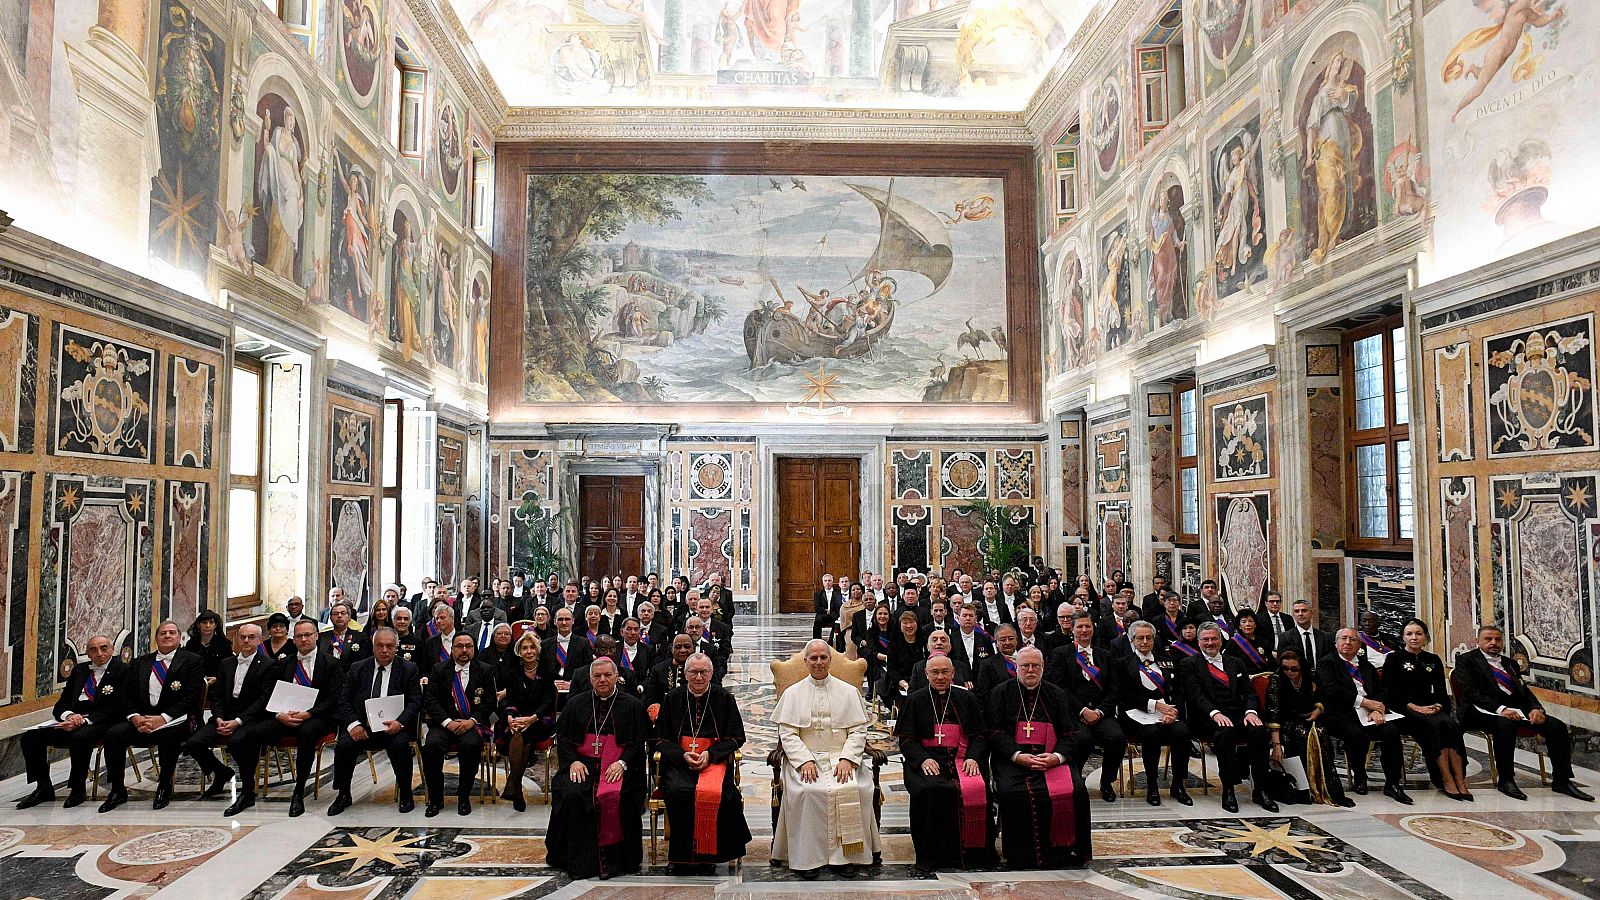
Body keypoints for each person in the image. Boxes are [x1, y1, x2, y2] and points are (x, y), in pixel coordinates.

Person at [771, 640, 881, 879]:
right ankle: (808, 859)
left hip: (841, 758)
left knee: (856, 786)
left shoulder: (849, 692)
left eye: (823, 658)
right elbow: (787, 733)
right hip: (806, 759)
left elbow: (858, 731)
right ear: (805, 661)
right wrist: (803, 761)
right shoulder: (793, 693)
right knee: (807, 791)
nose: (819, 662)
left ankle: (846, 857)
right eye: (814, 658)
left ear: (830, 660)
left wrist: (848, 759)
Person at [1456, 624, 1593, 801]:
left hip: (1515, 711)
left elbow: (1524, 691)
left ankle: (1562, 780)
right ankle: (1506, 780)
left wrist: (1536, 709)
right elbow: (1471, 692)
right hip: (1479, 712)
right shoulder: (1466, 660)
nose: (1493, 643)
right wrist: (1501, 710)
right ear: (1478, 641)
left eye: (1497, 639)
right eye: (1488, 639)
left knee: (1556, 726)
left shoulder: (1509, 663)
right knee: (1504, 725)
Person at [547, 657, 652, 879]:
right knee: (573, 794)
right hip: (582, 765)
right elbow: (564, 739)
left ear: (617, 677)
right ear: (590, 678)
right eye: (597, 676)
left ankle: (618, 861)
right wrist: (572, 762)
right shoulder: (576, 703)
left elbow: (639, 743)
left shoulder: (633, 705)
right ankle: (578, 861)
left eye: (607, 675)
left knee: (620, 795)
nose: (602, 680)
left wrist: (622, 763)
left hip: (618, 765)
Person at [228, 619, 343, 817]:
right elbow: (270, 694)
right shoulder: (283, 664)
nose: (304, 639)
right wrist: (278, 714)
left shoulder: (331, 664)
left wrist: (309, 714)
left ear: (316, 636)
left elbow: (333, 698)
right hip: (285, 716)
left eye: (308, 635)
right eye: (299, 636)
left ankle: (298, 792)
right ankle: (247, 791)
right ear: (294, 639)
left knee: (306, 734)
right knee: (248, 736)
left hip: (318, 717)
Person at [988, 646, 1091, 868]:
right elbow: (995, 733)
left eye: (1036, 666)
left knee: (1077, 790)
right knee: (1011, 792)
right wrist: (1018, 756)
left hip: (1050, 759)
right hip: (1013, 760)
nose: (1030, 670)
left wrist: (1056, 757)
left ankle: (1063, 851)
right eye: (1025, 666)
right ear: (1016, 667)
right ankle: (1020, 854)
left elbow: (1071, 733)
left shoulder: (1056, 693)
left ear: (1043, 668)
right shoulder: (1000, 693)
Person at [895, 655, 995, 871]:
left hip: (961, 758)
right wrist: (922, 759)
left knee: (977, 787)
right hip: (928, 760)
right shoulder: (915, 699)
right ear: (926, 674)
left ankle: (973, 855)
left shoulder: (966, 698)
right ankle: (931, 855)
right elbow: (907, 740)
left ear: (953, 674)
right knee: (932, 789)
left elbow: (979, 735)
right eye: (935, 673)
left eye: (944, 672)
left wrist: (973, 757)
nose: (940, 677)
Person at [656, 653, 751, 874]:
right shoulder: (672, 698)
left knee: (720, 794)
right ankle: (681, 858)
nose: (698, 677)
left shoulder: (724, 698)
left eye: (703, 672)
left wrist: (711, 754)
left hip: (714, 761)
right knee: (680, 792)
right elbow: (659, 738)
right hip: (681, 762)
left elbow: (737, 737)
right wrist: (682, 756)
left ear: (711, 673)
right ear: (685, 674)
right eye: (693, 672)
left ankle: (708, 856)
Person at [98, 621, 203, 813]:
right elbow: (126, 695)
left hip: (176, 719)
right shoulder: (140, 663)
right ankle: (117, 790)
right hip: (143, 720)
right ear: (156, 638)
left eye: (172, 632)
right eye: (163, 633)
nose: (167, 636)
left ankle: (164, 787)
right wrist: (135, 717)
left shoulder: (192, 661)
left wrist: (162, 719)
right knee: (114, 734)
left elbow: (191, 698)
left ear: (179, 638)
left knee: (168, 737)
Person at [16, 635, 127, 809]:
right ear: (88, 654)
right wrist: (69, 715)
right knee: (31, 737)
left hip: (101, 721)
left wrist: (84, 720)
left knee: (80, 738)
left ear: (112, 649)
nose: (99, 653)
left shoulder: (123, 671)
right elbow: (62, 703)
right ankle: (43, 787)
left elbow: (118, 706)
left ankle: (77, 788)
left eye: (104, 648)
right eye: (93, 650)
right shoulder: (80, 671)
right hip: (73, 720)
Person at [1179, 623, 1278, 813]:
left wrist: (1251, 712)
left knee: (1258, 731)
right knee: (1226, 733)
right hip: (1207, 717)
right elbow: (1195, 695)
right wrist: (1215, 714)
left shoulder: (1235, 663)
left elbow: (1249, 693)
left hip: (1237, 714)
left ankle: (1261, 789)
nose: (1210, 643)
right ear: (1198, 642)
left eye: (1214, 639)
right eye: (1205, 639)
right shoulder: (1189, 664)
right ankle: (1229, 789)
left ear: (1221, 640)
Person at [328, 627, 422, 815]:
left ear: (397, 648)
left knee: (400, 746)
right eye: (380, 646)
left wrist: (400, 723)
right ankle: (343, 794)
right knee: (345, 745)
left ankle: (405, 793)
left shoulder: (408, 669)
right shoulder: (358, 668)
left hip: (394, 727)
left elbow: (415, 701)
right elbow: (344, 699)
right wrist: (354, 725)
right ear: (373, 647)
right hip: (364, 727)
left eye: (389, 646)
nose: (384, 650)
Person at [1316, 627, 1413, 804]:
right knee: (1355, 734)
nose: (1348, 642)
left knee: (1391, 732)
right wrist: (1365, 703)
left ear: (1359, 644)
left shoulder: (1366, 665)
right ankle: (1359, 774)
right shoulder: (1326, 663)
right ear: (1336, 643)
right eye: (1343, 639)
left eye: (1352, 639)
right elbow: (1332, 691)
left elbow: (1381, 692)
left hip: (1370, 713)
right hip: (1341, 713)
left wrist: (1376, 709)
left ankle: (1392, 783)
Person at [182, 623, 272, 803]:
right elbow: (217, 696)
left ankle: (247, 790)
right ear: (237, 639)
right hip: (224, 716)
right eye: (243, 637)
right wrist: (219, 718)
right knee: (192, 743)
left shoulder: (269, 666)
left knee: (239, 742)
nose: (246, 640)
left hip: (250, 718)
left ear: (260, 640)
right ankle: (221, 771)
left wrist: (238, 721)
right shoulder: (226, 663)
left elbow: (263, 701)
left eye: (251, 637)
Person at [1384, 618, 1470, 799]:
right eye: (1409, 634)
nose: (1414, 638)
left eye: (1418, 633)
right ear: (1403, 637)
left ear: (1426, 637)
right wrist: (1415, 707)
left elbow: (1440, 690)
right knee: (1436, 727)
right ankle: (1444, 778)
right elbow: (1391, 693)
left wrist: (1438, 705)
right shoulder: (1394, 658)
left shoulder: (1432, 659)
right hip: (1405, 709)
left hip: (1431, 707)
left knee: (1451, 724)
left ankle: (1460, 779)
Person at [1048, 611, 1124, 802]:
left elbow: (1115, 689)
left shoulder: (1105, 655)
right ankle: (1075, 781)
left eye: (1087, 626)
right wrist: (1083, 710)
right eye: (1079, 626)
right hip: (1074, 714)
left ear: (1093, 628)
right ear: (1072, 629)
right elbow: (1058, 688)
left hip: (1101, 713)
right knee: (1082, 740)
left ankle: (1106, 782)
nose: (1084, 630)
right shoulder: (1061, 654)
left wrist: (1099, 711)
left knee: (1117, 739)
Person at [1114, 621, 1192, 807]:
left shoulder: (1167, 661)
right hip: (1135, 713)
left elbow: (1179, 690)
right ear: (1132, 640)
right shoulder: (1122, 663)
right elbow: (1124, 695)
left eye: (1149, 638)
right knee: (1152, 734)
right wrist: (1155, 705)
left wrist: (1174, 711)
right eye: (1140, 638)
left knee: (1182, 732)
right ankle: (1152, 785)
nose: (1145, 642)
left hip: (1167, 713)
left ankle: (1178, 785)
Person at [421, 632, 496, 816]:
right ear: (452, 649)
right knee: (431, 746)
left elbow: (490, 702)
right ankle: (436, 799)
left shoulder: (485, 670)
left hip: (471, 724)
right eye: (459, 646)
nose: (464, 650)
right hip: (444, 724)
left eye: (468, 646)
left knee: (470, 745)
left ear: (474, 649)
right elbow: (430, 701)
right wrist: (447, 722)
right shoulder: (439, 669)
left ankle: (464, 798)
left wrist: (472, 721)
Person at [1265, 649, 1352, 806]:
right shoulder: (1276, 680)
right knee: (1301, 734)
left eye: (1294, 669)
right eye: (1285, 668)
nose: (1289, 672)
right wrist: (1276, 745)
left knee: (1321, 733)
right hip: (1285, 724)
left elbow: (1323, 697)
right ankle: (1305, 789)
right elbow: (1273, 713)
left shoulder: (1311, 675)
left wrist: (1318, 709)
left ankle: (1323, 787)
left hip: (1309, 718)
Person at [499, 631, 557, 810]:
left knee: (524, 733)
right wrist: (510, 717)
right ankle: (515, 787)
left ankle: (513, 785)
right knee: (518, 734)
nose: (529, 651)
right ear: (519, 651)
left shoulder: (547, 670)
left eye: (532, 647)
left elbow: (548, 701)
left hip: (541, 718)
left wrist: (531, 718)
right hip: (517, 717)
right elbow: (510, 700)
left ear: (537, 650)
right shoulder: (513, 672)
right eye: (525, 648)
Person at [541, 606, 593, 710]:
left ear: (573, 621)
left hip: (576, 692)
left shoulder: (583, 643)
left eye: (567, 619)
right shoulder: (545, 644)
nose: (564, 623)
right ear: (555, 622)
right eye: (560, 619)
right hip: (550, 693)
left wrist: (572, 684)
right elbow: (542, 671)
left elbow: (588, 670)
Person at [884, 610, 927, 713]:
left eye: (911, 622)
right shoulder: (894, 645)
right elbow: (891, 669)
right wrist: (904, 684)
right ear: (900, 625)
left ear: (917, 623)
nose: (908, 626)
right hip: (900, 682)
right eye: (905, 623)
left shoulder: (925, 642)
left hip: (922, 682)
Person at [908, 630, 972, 696]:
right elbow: (911, 695)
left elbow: (969, 692)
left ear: (950, 647)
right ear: (928, 647)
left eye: (943, 640)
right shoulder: (918, 667)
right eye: (934, 640)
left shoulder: (962, 667)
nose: (939, 643)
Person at [645, 633, 694, 709]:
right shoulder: (659, 669)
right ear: (671, 649)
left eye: (687, 647)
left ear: (693, 648)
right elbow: (651, 698)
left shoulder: (703, 668)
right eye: (678, 647)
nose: (683, 650)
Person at [320, 600, 370, 666]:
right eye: (335, 614)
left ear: (349, 617)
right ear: (331, 618)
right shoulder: (321, 637)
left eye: (343, 613)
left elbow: (364, 662)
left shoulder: (360, 637)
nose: (339, 616)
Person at [1225, 609, 1274, 675]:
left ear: (1255, 624)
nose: (1247, 624)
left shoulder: (1263, 642)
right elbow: (1228, 663)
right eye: (1243, 622)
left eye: (1250, 621)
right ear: (1239, 626)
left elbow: (1271, 662)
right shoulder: (1233, 643)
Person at [184, 610, 231, 678]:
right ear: (198, 624)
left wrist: (217, 678)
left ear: (215, 625)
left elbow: (228, 667)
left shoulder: (223, 644)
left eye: (211, 623)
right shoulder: (191, 643)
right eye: (204, 622)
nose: (208, 626)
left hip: (217, 682)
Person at [813, 573, 842, 641]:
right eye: (825, 581)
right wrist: (826, 610)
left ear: (832, 582)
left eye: (829, 580)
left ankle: (832, 641)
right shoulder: (818, 594)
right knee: (817, 620)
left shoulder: (838, 592)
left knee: (837, 621)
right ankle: (816, 640)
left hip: (834, 614)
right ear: (823, 582)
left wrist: (831, 611)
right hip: (823, 614)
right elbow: (817, 607)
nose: (827, 582)